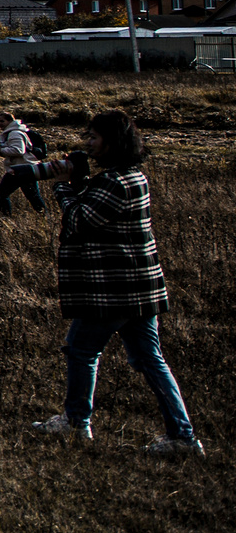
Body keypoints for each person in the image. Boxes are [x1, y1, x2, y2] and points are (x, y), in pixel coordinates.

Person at [29, 111, 202, 454]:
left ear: (113, 142)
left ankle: (76, 422)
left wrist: (64, 187)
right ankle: (182, 436)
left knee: (81, 349)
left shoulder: (114, 182)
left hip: (112, 287)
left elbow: (79, 220)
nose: (88, 144)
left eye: (94, 138)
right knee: (150, 359)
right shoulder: (132, 177)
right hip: (140, 287)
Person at [0, 111, 47, 215]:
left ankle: (3, 217)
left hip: (22, 169)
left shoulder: (14, 133)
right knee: (32, 196)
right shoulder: (14, 132)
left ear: (10, 121)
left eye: (2, 121)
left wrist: (1, 149)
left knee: (3, 192)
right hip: (26, 168)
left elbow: (19, 151)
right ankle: (44, 216)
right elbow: (12, 153)